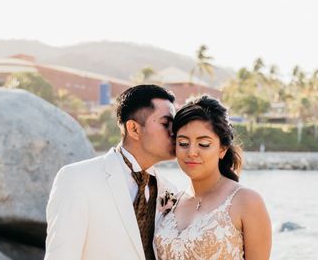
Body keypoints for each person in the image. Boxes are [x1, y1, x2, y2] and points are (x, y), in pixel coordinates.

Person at [45, 84, 177, 260]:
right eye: (166, 123)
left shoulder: (171, 191)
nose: (175, 132)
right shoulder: (77, 179)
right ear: (134, 129)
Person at [154, 95, 272, 260]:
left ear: (222, 149)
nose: (191, 152)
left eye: (203, 144)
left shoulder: (247, 201)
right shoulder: (169, 202)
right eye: (183, 143)